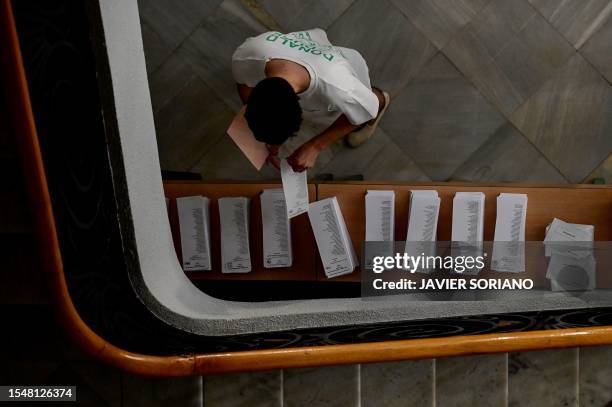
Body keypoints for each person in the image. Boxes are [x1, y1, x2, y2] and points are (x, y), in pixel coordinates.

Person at [232, 28, 389, 172]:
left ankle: (383, 98)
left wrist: (314, 146)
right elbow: (243, 82)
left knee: (368, 103)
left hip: (350, 74)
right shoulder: (247, 54)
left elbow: (369, 109)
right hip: (312, 54)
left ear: (301, 108)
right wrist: (269, 137)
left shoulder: (341, 89)